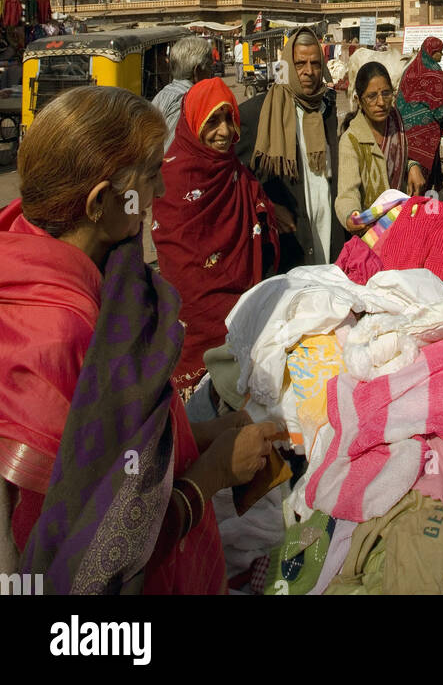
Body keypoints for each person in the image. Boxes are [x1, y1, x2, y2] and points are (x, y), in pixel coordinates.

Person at [0, 86, 284, 594]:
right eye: (151, 176)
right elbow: (97, 555)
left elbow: (114, 454)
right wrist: (215, 474)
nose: (161, 194)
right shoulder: (65, 338)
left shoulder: (54, 261)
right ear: (100, 203)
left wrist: (202, 436)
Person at [154, 79, 279, 393]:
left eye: (230, 119)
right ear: (194, 122)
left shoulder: (235, 171)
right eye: (213, 121)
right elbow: (181, 267)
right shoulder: (171, 179)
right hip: (197, 323)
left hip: (244, 314)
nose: (225, 132)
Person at [237, 28, 340, 270]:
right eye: (300, 63)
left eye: (315, 63)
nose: (309, 72)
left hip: (328, 231)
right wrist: (267, 205)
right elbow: (235, 177)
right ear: (286, 66)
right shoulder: (258, 113)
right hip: (291, 242)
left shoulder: (328, 110)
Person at [336, 62, 425, 231]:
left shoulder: (396, 123)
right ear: (359, 100)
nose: (381, 102)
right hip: (371, 232)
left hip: (402, 223)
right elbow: (347, 193)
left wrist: (412, 165)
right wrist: (352, 216)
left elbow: (404, 155)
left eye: (386, 94)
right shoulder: (352, 140)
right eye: (371, 96)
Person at [396, 36, 443, 192]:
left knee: (409, 169)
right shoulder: (433, 71)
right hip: (423, 130)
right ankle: (420, 204)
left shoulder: (412, 67)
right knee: (423, 172)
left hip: (403, 124)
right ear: (431, 52)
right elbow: (440, 106)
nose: (440, 55)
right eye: (438, 52)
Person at [151, 35, 215, 149]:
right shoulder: (186, 102)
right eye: (209, 67)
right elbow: (169, 154)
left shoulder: (163, 93)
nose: (211, 74)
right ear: (197, 71)